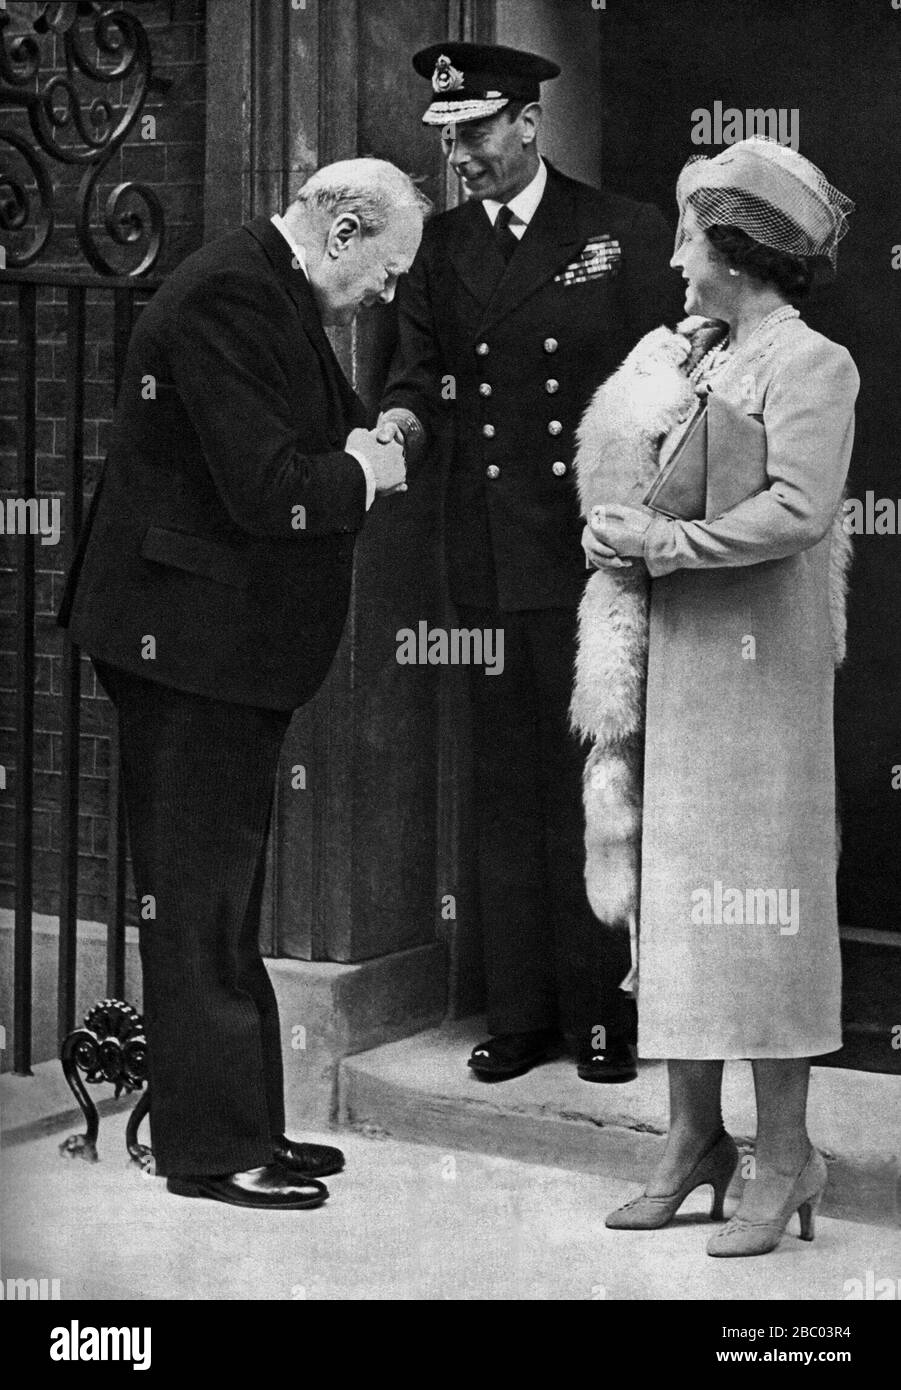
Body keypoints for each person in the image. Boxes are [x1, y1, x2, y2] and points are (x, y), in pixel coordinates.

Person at [58, 158, 428, 1209]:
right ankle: (213, 1151)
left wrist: (362, 442)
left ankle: (236, 1123)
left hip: (212, 649)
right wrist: (367, 470)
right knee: (198, 904)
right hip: (187, 651)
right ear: (344, 228)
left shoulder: (269, 285)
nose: (386, 294)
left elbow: (316, 427)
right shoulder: (233, 292)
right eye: (387, 268)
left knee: (218, 900)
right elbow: (272, 487)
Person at [577, 137, 858, 1255]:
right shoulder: (685, 355)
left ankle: (785, 1156)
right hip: (676, 668)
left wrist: (665, 541)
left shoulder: (811, 364)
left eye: (692, 239)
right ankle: (693, 1138)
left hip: (759, 681)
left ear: (739, 254)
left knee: (764, 907)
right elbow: (631, 474)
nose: (677, 262)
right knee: (679, 903)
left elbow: (798, 510)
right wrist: (614, 521)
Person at [381, 42, 682, 1084]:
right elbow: (413, 381)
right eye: (446, 136)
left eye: (473, 131)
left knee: (598, 777)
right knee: (504, 786)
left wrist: (646, 521)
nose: (459, 154)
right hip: (485, 559)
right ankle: (521, 1013)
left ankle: (606, 1017)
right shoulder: (436, 247)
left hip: (594, 554)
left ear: (527, 123)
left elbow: (672, 389)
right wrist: (391, 438)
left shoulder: (623, 231)